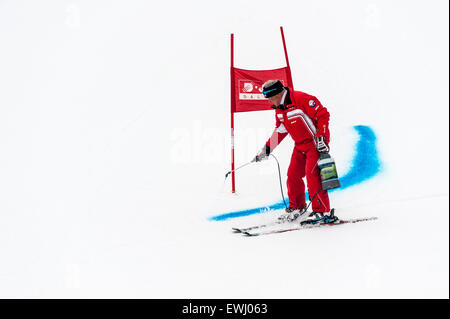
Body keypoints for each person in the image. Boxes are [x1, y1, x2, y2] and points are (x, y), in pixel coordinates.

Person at [254, 80, 337, 224]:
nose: (269, 101)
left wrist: (322, 137)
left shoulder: (301, 99)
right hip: (299, 146)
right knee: (293, 175)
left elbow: (323, 115)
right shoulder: (278, 108)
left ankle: (321, 211)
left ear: (279, 93)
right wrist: (267, 149)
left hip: (315, 144)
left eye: (270, 97)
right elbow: (280, 129)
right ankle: (297, 207)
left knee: (313, 176)